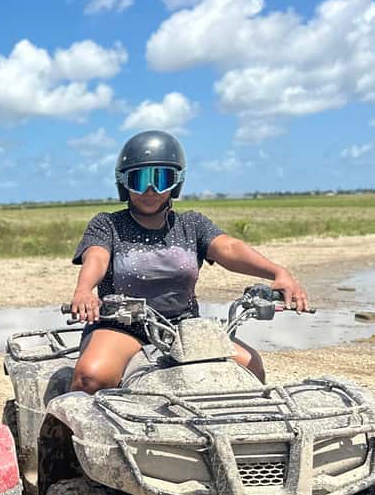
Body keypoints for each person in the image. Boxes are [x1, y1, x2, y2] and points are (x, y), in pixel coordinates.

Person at [69, 130, 309, 393]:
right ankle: (67, 419)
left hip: (184, 328)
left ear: (177, 182)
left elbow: (228, 247)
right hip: (121, 327)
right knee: (91, 376)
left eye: (162, 179)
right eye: (140, 180)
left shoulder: (192, 224)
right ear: (123, 182)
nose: (151, 190)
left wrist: (278, 272)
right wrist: (84, 290)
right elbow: (97, 256)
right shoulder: (108, 224)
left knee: (250, 366)